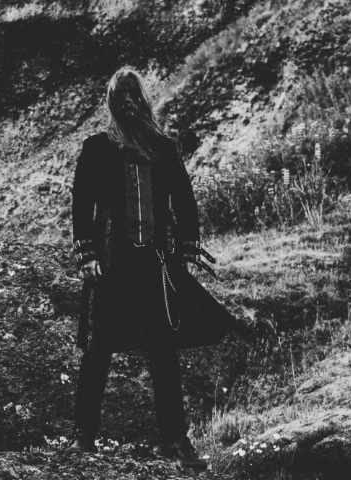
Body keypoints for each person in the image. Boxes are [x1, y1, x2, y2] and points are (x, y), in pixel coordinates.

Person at [69, 67, 234, 470]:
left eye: (133, 94)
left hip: (156, 266)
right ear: (113, 102)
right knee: (98, 350)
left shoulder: (162, 148)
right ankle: (83, 439)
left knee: (163, 350)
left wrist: (189, 248)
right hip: (111, 264)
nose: (127, 102)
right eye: (120, 95)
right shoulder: (98, 148)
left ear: (142, 100)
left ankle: (175, 441)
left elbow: (184, 199)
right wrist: (87, 254)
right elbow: (82, 202)